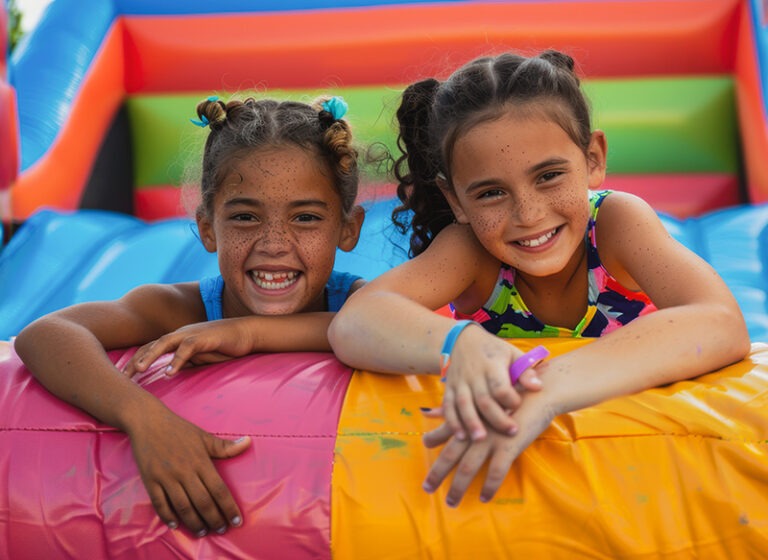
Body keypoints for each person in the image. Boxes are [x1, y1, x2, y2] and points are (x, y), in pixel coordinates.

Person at [328, 50, 750, 508]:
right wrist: (462, 344)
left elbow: (719, 319)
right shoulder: (472, 252)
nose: (528, 215)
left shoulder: (614, 224)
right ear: (455, 199)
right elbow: (357, 320)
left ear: (593, 158)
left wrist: (551, 386)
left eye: (549, 176)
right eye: (491, 193)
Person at [15, 94, 365, 537]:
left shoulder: (362, 306)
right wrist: (147, 422)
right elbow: (46, 332)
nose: (274, 243)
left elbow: (381, 329)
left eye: (306, 218)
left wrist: (246, 332)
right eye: (244, 217)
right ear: (206, 228)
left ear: (348, 229)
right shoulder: (184, 309)